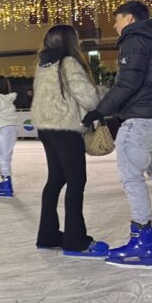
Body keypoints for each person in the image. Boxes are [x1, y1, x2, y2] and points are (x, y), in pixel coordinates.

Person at [81, 1, 152, 269]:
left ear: (130, 18)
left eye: (117, 19)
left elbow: (128, 82)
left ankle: (142, 242)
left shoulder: (135, 39)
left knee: (131, 176)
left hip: (140, 120)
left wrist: (99, 111)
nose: (114, 24)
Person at [31, 24, 105, 258]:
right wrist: (103, 94)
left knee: (55, 180)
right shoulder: (69, 63)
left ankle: (48, 236)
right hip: (66, 129)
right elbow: (88, 98)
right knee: (76, 181)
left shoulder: (43, 64)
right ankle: (75, 240)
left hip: (46, 129)